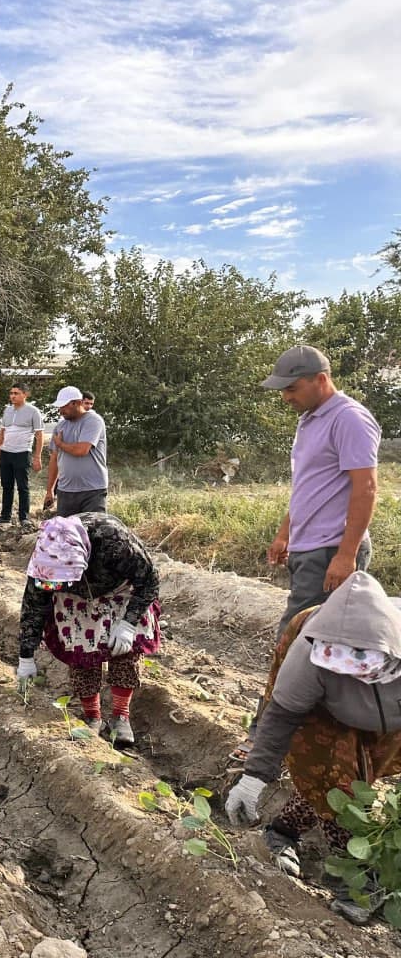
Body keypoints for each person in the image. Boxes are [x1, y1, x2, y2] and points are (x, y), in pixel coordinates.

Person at [225, 571, 401, 925]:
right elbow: (283, 714)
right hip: (321, 714)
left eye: (362, 667)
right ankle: (357, 877)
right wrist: (254, 778)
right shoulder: (308, 650)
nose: (353, 677)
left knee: (355, 781)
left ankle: (282, 831)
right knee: (334, 781)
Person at [261, 345, 379, 640]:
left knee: (295, 640)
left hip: (330, 550)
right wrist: (285, 532)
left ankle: (283, 689)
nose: (286, 397)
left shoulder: (349, 418)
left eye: (292, 388)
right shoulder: (310, 419)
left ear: (321, 380)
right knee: (314, 644)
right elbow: (310, 484)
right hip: (308, 547)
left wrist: (346, 554)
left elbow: (366, 488)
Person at [15, 513, 161, 747]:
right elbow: (34, 606)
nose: (55, 587)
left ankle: (120, 716)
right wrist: (26, 655)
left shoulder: (114, 542)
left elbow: (150, 581)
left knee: (125, 652)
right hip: (76, 601)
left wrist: (128, 623)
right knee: (81, 654)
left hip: (119, 592)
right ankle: (92, 716)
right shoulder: (45, 557)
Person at [43, 385, 108, 517]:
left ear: (78, 403)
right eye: (59, 407)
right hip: (66, 491)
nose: (61, 410)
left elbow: (81, 450)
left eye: (65, 406)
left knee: (93, 532)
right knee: (67, 533)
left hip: (92, 490)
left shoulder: (93, 421)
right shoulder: (60, 427)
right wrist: (50, 490)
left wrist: (60, 444)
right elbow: (54, 459)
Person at [0, 382, 44, 525]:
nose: (12, 396)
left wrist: (37, 456)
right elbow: (2, 432)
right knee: (6, 485)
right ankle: (5, 516)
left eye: (16, 393)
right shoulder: (7, 410)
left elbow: (39, 435)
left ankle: (24, 517)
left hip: (22, 453)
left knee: (22, 486)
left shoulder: (33, 411)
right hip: (6, 453)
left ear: (25, 395)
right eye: (11, 393)